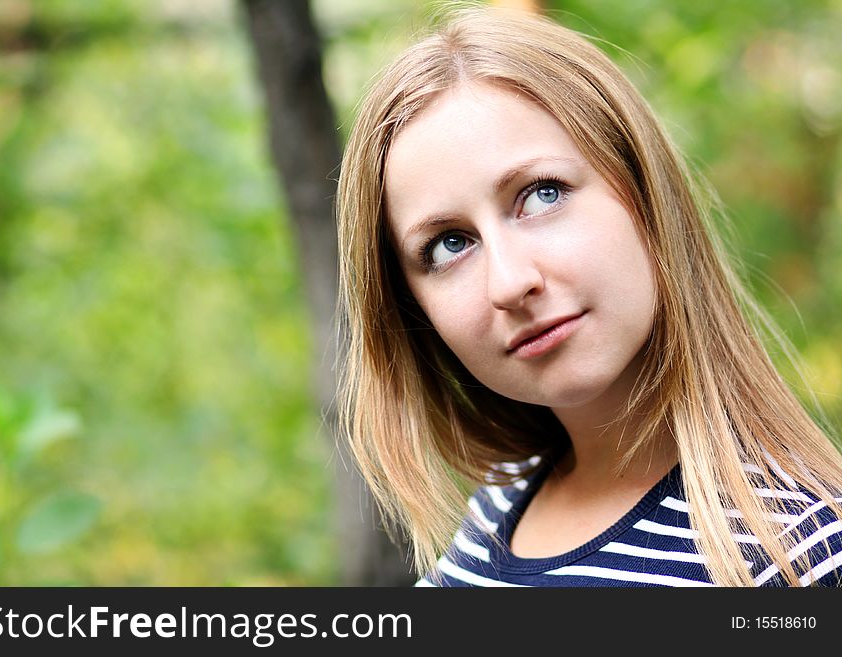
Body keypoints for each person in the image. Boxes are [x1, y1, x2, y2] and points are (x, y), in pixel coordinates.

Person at [335, 6, 842, 587]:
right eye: (450, 245)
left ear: (644, 193)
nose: (509, 282)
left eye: (541, 194)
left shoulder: (798, 556)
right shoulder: (496, 512)